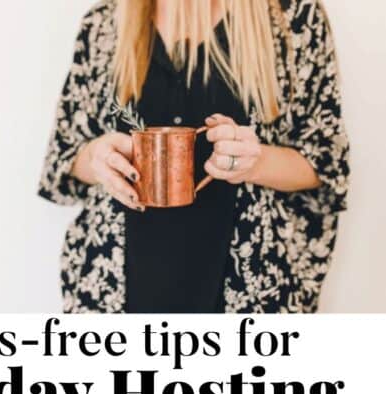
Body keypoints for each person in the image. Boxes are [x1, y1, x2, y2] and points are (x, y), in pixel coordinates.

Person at [39, 0, 350, 313]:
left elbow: (326, 165)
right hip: (114, 293)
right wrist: (96, 157)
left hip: (251, 296)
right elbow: (65, 156)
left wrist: (257, 162)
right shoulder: (104, 25)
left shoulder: (293, 19)